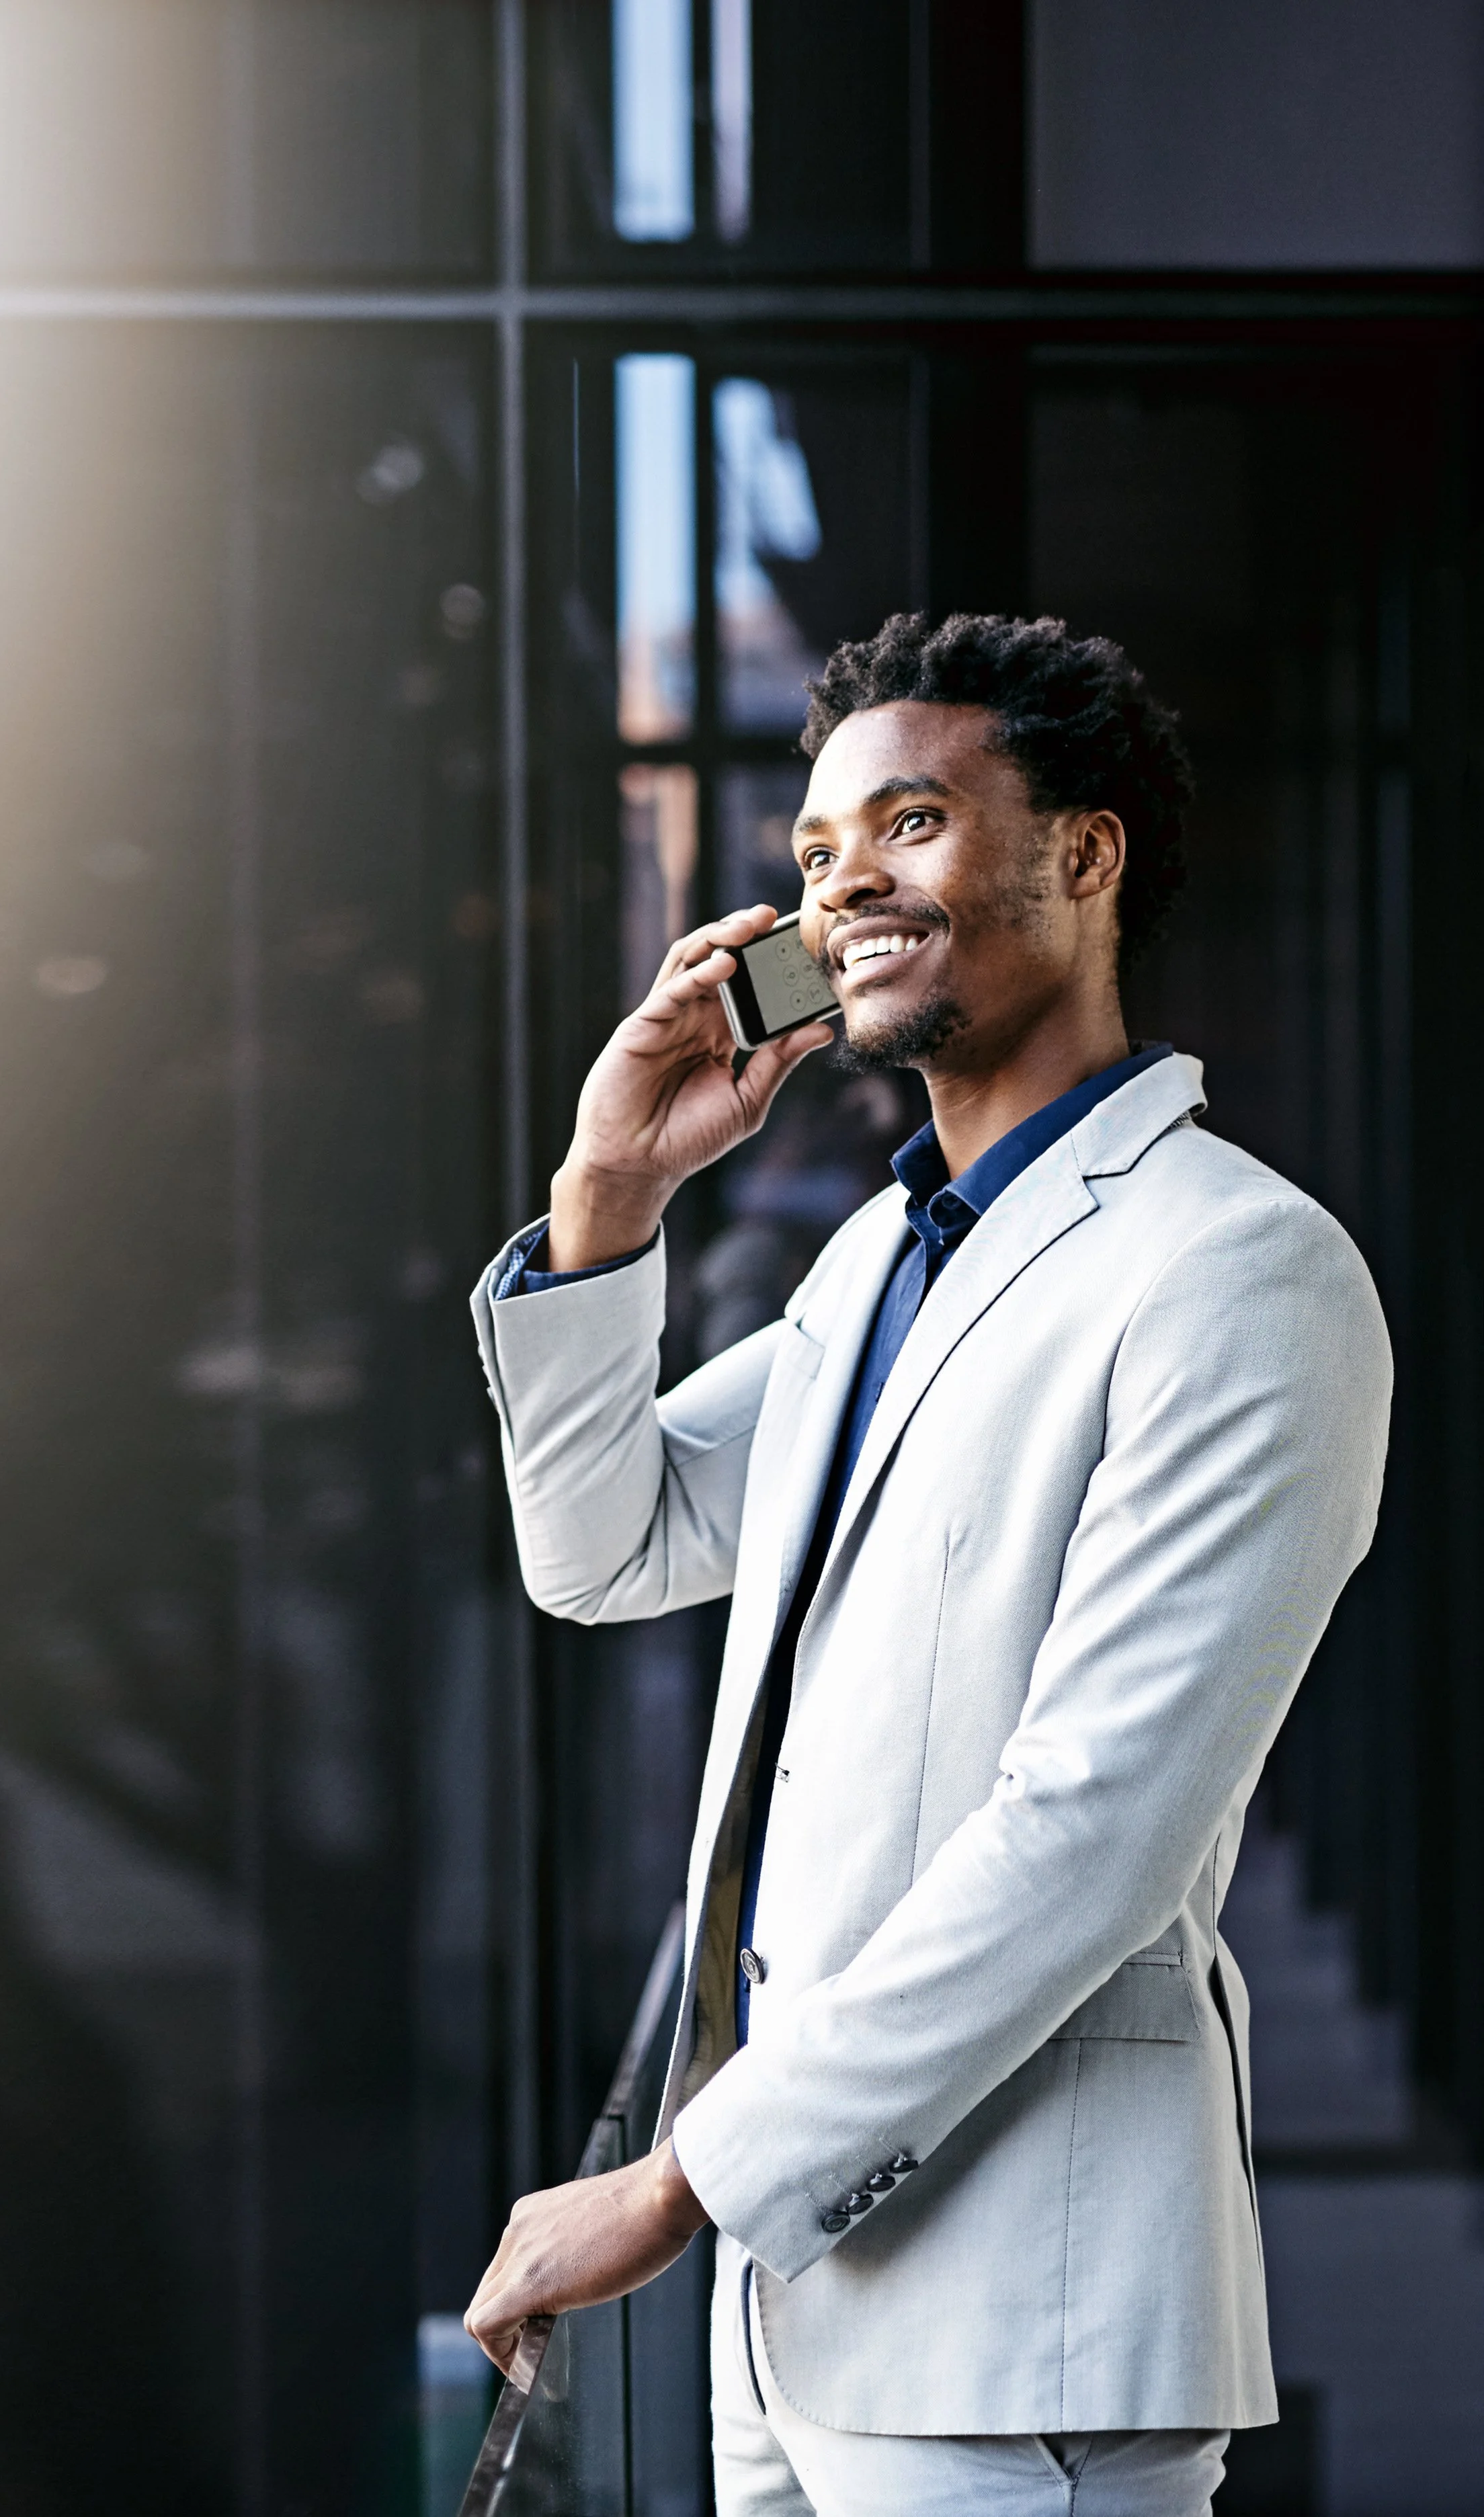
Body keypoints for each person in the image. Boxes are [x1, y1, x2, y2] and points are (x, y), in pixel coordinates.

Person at [463, 612, 1391, 2515]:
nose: (843, 886)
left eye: (906, 826)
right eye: (812, 855)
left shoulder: (1233, 1269)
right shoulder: (878, 1264)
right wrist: (609, 1200)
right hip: (790, 2320)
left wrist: (676, 2183)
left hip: (1020, 2335)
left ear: (1083, 854)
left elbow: (1093, 1833)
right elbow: (605, 1546)